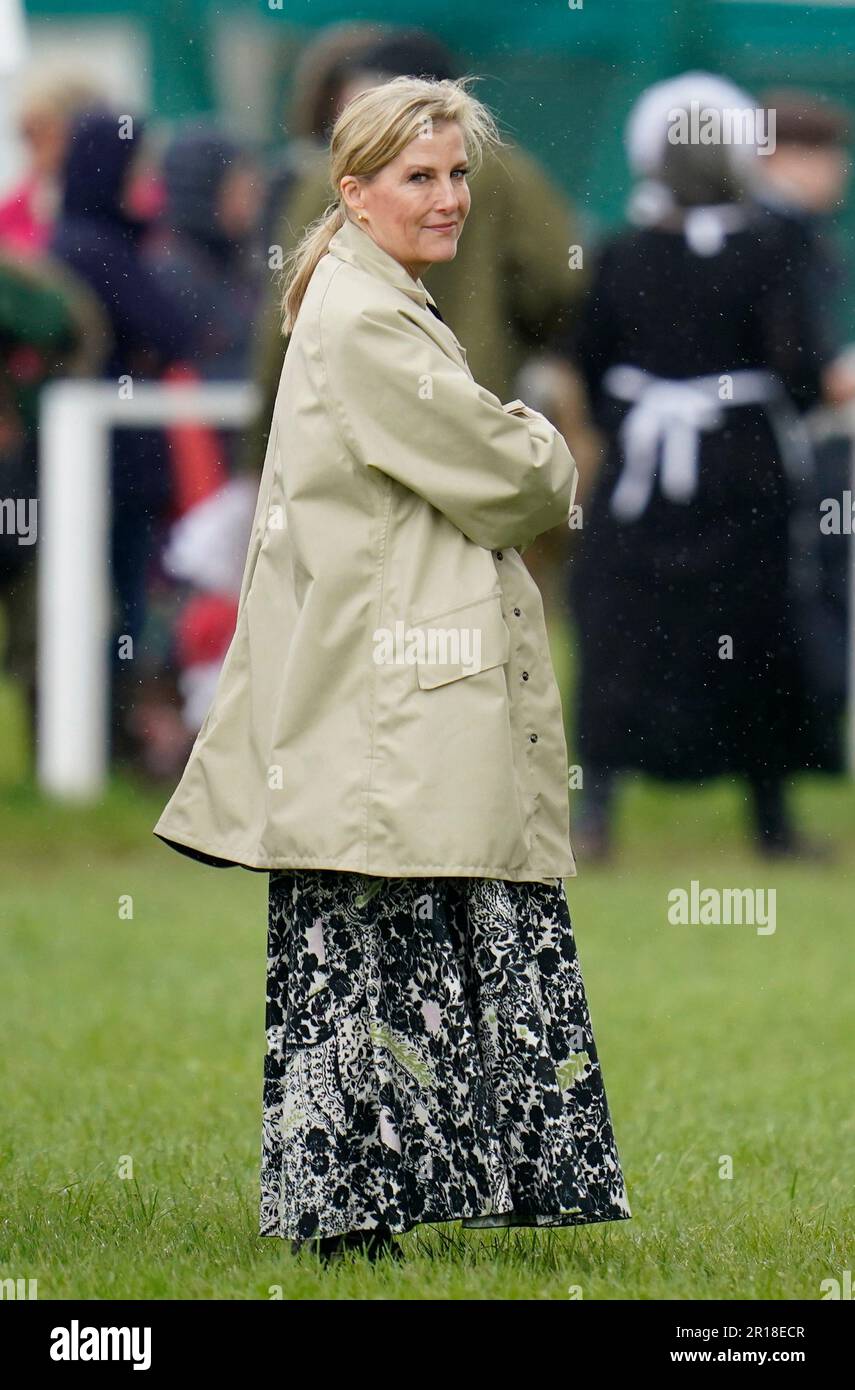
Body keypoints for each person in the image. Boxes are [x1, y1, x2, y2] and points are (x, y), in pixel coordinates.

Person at [153, 75, 631, 1263]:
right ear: (354, 192)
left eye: (459, 173)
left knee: (385, 937)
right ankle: (351, 1211)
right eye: (419, 175)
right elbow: (509, 475)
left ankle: (377, 1203)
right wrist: (545, 440)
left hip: (389, 673)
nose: (449, 196)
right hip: (385, 688)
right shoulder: (366, 320)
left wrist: (510, 433)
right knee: (372, 935)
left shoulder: (372, 298)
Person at [565, 73, 838, 863]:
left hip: (640, 482)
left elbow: (589, 361)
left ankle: (598, 816)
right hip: (742, 470)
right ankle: (771, 825)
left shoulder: (620, 254)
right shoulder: (770, 253)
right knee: (749, 629)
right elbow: (799, 367)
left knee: (623, 631)